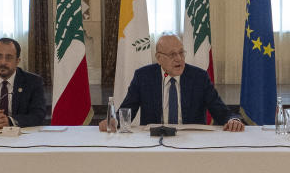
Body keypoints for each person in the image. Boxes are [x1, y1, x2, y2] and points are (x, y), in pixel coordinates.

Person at [100, 34, 244, 131]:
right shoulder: (143, 77)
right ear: (159, 58)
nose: (179, 59)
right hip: (155, 141)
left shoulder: (199, 77)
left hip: (192, 142)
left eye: (181, 53)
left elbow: (221, 111)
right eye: (172, 54)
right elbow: (127, 110)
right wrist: (113, 121)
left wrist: (233, 120)